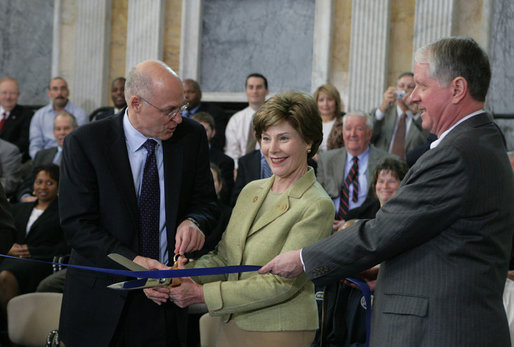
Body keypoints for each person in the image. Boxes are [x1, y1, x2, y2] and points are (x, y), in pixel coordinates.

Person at [260, 37, 514, 346]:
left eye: (421, 86)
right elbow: (443, 242)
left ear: (457, 89)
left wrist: (303, 259)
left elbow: (384, 230)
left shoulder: (457, 154)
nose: (412, 98)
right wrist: (386, 270)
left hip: (438, 331)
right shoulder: (480, 141)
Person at [58, 60, 218, 346]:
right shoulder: (85, 143)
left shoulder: (190, 137)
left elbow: (206, 203)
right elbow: (77, 226)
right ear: (135, 103)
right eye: (169, 110)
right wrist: (133, 264)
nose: (178, 119)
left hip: (168, 301)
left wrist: (195, 222)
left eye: (181, 108)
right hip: (102, 302)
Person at [168, 91, 334, 347]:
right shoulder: (251, 190)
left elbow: (282, 284)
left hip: (278, 330)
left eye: (284, 138)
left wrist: (201, 293)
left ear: (309, 141)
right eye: (266, 138)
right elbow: (224, 257)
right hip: (229, 321)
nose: (272, 149)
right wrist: (185, 274)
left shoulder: (317, 204)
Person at [0, 164, 67, 317]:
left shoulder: (63, 212)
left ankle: (15, 330)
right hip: (10, 258)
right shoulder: (18, 208)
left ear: (58, 186)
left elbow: (65, 246)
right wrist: (8, 248)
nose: (43, 187)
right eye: (39, 182)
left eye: (49, 183)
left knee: (5, 276)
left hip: (41, 262)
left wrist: (32, 251)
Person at [316, 112, 391, 231]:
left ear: (369, 133)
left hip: (366, 227)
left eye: (359, 129)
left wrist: (351, 224)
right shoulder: (326, 159)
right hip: (330, 225)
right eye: (348, 128)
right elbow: (318, 195)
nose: (352, 134)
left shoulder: (386, 161)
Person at [17, 111, 78, 202]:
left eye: (66, 128)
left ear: (76, 129)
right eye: (58, 129)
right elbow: (27, 185)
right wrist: (25, 197)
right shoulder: (42, 155)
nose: (62, 132)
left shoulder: (81, 156)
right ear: (54, 131)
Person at [371, 72, 427, 159]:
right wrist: (382, 109)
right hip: (382, 167)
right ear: (395, 89)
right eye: (401, 86)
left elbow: (428, 140)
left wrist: (415, 114)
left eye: (410, 87)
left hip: (410, 168)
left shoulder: (422, 117)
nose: (405, 90)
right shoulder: (385, 113)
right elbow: (369, 135)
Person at [29, 77, 88, 158]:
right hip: (45, 160)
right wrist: (40, 162)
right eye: (55, 89)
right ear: (49, 93)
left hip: (71, 158)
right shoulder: (39, 115)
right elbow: (35, 145)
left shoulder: (80, 114)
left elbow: (82, 144)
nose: (59, 93)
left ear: (68, 92)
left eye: (63, 88)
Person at [225, 73, 269, 166]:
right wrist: (237, 169)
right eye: (251, 87)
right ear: (246, 91)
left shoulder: (273, 119)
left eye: (259, 87)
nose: (255, 91)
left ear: (267, 91)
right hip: (240, 170)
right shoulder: (235, 120)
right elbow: (232, 152)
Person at [192, 112, 234, 205]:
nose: (200, 134)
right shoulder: (181, 158)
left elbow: (227, 196)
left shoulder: (226, 162)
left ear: (213, 132)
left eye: (205, 130)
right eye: (197, 130)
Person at [183, 79, 229, 150]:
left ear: (200, 94)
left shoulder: (215, 113)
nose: (186, 95)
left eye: (190, 92)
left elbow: (218, 141)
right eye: (183, 92)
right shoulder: (174, 112)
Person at [0, 77, 33, 162]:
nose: (8, 97)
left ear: (18, 94)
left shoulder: (27, 114)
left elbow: (23, 143)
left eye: (12, 93)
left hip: (10, 161)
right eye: (4, 93)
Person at [314, 84, 345, 152]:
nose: (325, 104)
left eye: (330, 99)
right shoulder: (311, 123)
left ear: (336, 102)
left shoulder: (345, 123)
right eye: (321, 100)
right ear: (316, 103)